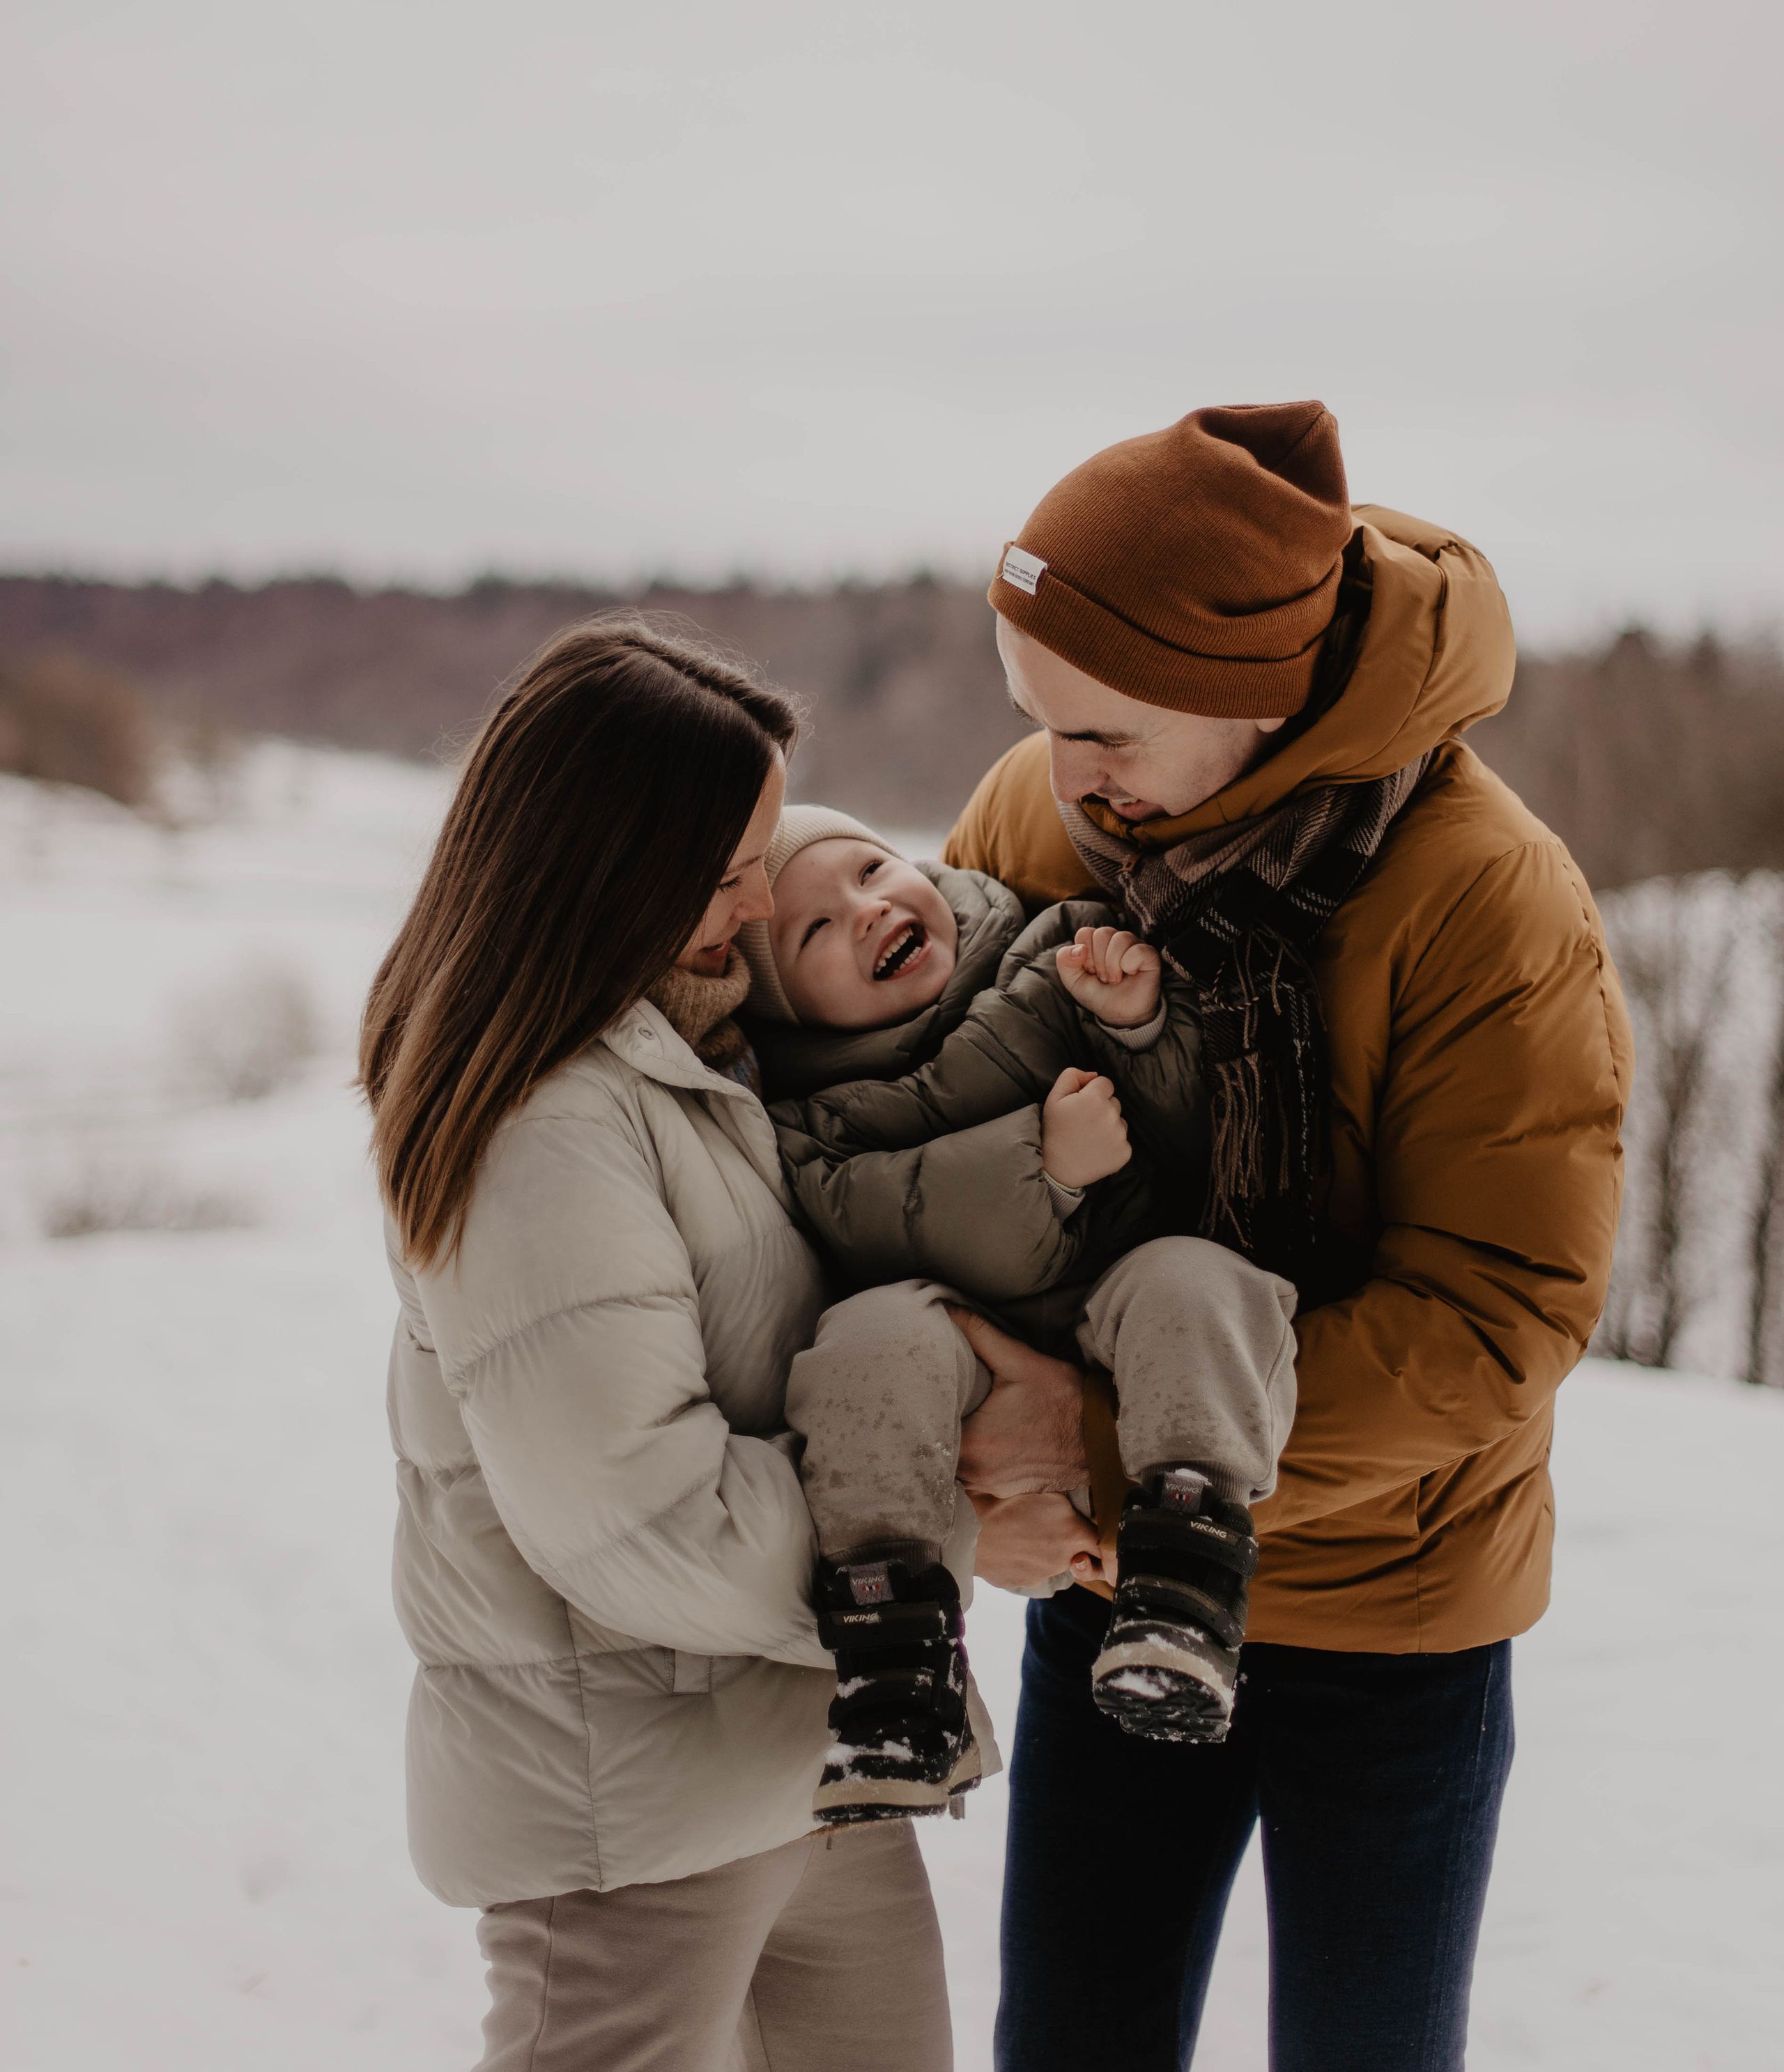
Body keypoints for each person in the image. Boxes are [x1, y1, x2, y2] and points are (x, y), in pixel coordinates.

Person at [943, 402, 1633, 2072]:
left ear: (1255, 693)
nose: (1060, 771)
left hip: (1387, 1616)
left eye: (1103, 729)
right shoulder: (1046, 819)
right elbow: (921, 1127)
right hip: (1114, 1591)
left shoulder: (1485, 896)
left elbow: (1490, 1318)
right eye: (1034, 719)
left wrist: (1103, 1454)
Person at [360, 620, 954, 2072]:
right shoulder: (540, 1122)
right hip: (626, 1823)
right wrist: (936, 1512)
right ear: (607, 863)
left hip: (800, 1755)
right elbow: (642, 1516)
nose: (760, 899)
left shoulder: (690, 1056)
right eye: (728, 863)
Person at [731, 807, 1298, 1819]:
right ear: (790, 1011)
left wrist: (1141, 1025)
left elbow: (1203, 1143)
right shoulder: (807, 1122)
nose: (867, 910)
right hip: (968, 1362)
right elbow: (886, 1228)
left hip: (1125, 1315)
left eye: (872, 869)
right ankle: (893, 1654)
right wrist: (1047, 1163)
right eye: (815, 928)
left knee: (1199, 1281)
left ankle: (1185, 1570)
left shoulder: (1053, 953)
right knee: (867, 1341)